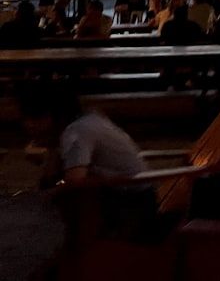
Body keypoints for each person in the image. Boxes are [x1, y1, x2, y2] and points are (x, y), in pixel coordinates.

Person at [19, 84, 159, 241]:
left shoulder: (77, 132)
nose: (28, 124)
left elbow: (74, 182)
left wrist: (51, 188)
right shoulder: (86, 119)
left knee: (57, 204)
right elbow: (53, 177)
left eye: (35, 117)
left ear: (56, 114)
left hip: (130, 202)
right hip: (135, 193)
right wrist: (52, 147)